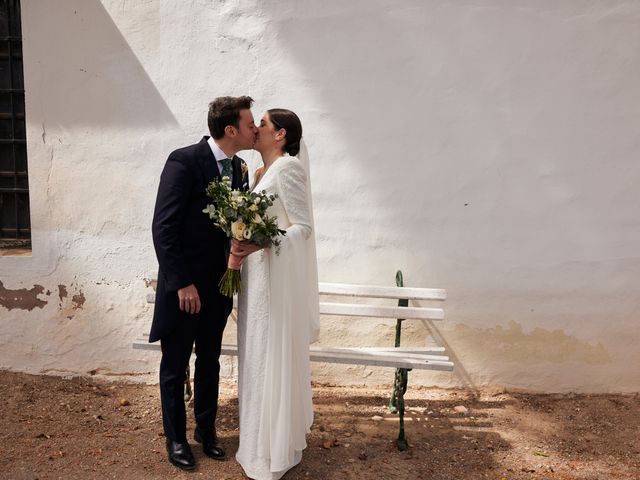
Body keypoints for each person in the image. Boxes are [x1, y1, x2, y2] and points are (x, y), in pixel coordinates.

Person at [150, 96, 256, 470]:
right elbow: (163, 229)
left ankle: (205, 431)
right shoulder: (184, 161)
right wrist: (181, 284)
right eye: (249, 123)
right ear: (231, 130)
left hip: (218, 286)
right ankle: (176, 440)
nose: (254, 129)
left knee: (209, 361)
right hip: (185, 290)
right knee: (175, 365)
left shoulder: (241, 169)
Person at [232, 109, 320, 480]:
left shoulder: (289, 169)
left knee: (270, 355)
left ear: (281, 134)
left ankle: (271, 449)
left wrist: (265, 242)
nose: (256, 129)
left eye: (263, 124)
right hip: (254, 280)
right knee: (253, 356)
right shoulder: (257, 175)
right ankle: (252, 443)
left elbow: (304, 228)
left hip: (275, 282)